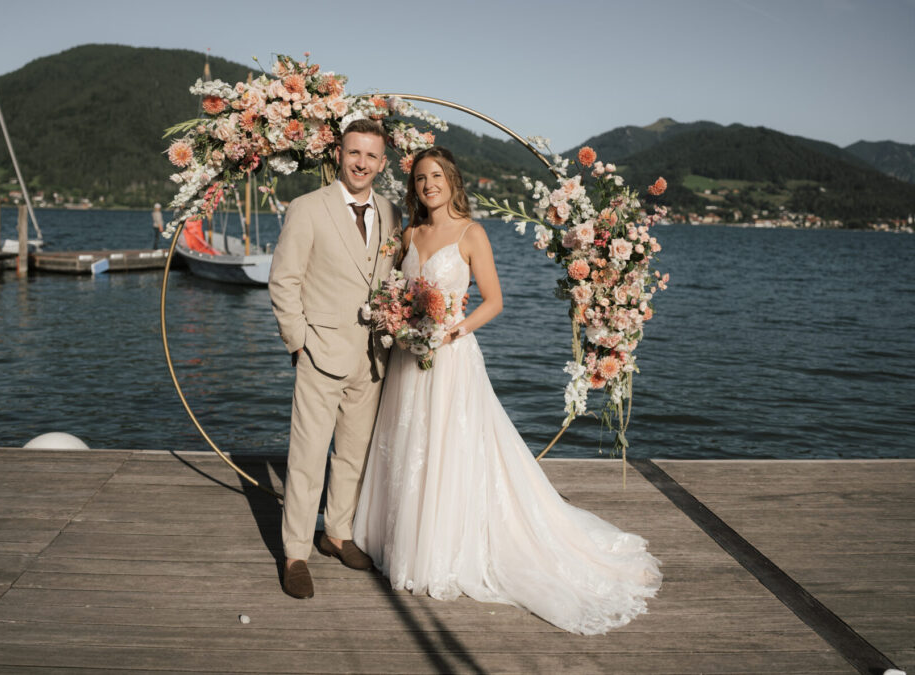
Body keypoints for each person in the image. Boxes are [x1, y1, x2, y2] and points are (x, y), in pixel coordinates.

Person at [352, 146, 662, 635]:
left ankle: (445, 547)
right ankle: (403, 538)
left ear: (452, 181)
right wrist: (398, 316)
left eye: (435, 176)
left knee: (451, 449)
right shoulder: (409, 233)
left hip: (451, 357)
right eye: (419, 179)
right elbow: (395, 292)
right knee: (409, 446)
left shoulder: (472, 234)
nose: (427, 184)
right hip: (408, 361)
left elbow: (494, 301)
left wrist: (453, 329)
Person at [268, 119, 403, 599]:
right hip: (320, 353)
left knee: (353, 455)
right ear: (339, 155)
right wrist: (298, 342)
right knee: (306, 459)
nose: (361, 163)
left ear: (382, 164)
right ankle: (296, 553)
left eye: (371, 156)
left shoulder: (390, 211)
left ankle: (336, 535)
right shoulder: (307, 208)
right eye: (354, 153)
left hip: (372, 358)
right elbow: (284, 280)